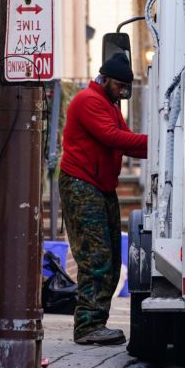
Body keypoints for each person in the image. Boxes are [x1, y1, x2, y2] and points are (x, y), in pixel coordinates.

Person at [59, 53, 147, 345]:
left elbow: (126, 140)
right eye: (119, 86)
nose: (123, 92)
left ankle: (96, 322)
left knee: (110, 257)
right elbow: (113, 137)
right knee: (95, 256)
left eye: (126, 87)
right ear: (105, 79)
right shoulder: (89, 101)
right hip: (81, 184)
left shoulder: (109, 104)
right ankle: (88, 325)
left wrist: (161, 146)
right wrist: (157, 141)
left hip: (99, 185)